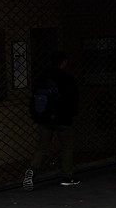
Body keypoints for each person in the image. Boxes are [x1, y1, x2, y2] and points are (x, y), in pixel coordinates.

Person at [23, 49, 80, 190]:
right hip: (62, 118)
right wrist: (72, 114)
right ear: (64, 62)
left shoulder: (42, 77)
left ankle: (32, 169)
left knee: (42, 146)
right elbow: (73, 99)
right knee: (66, 146)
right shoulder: (67, 78)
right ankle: (67, 175)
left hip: (44, 118)